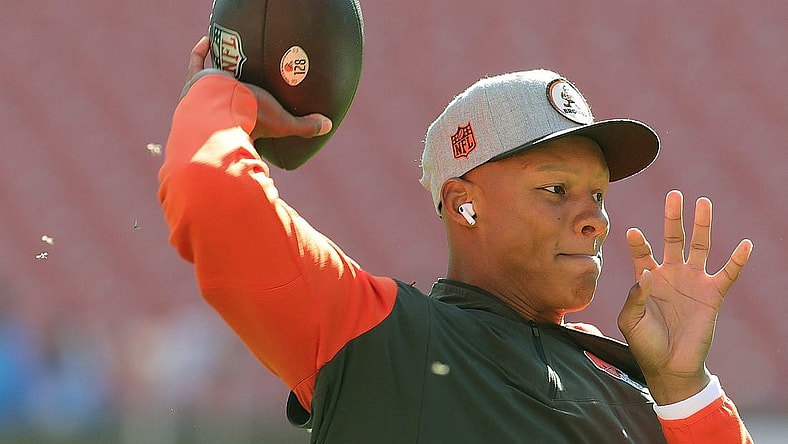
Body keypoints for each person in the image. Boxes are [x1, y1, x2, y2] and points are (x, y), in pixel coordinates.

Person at [158, 36, 755, 443]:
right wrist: (220, 96)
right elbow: (211, 194)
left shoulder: (641, 379)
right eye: (556, 189)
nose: (595, 219)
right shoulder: (384, 339)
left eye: (597, 194)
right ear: (464, 203)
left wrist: (686, 391)